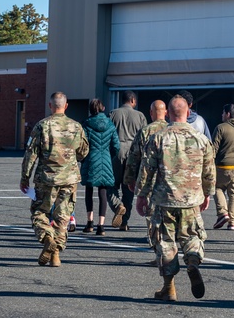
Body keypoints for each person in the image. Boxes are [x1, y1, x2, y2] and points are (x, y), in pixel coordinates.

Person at [135, 95, 215, 302]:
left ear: (168, 114)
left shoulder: (158, 138)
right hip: (191, 199)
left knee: (166, 242)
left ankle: (169, 288)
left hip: (164, 199)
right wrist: (207, 194)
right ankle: (193, 261)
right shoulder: (202, 139)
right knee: (192, 236)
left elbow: (147, 170)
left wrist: (141, 196)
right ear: (188, 113)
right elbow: (209, 171)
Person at [20, 91, 89, 267]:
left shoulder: (42, 126)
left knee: (39, 212)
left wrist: (25, 177)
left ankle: (47, 238)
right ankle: (56, 254)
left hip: (46, 178)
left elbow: (31, 154)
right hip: (69, 178)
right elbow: (83, 152)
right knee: (63, 217)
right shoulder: (76, 126)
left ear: (50, 106)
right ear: (66, 106)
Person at [124, 99, 168, 264]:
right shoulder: (171, 129)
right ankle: (168, 253)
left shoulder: (145, 132)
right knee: (167, 218)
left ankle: (159, 252)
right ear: (166, 113)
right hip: (170, 182)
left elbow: (134, 157)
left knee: (152, 218)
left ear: (151, 113)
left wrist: (130, 179)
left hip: (149, 181)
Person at [108, 90, 147, 231]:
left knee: (111, 184)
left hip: (116, 151)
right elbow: (144, 137)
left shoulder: (113, 114)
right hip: (133, 153)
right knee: (129, 188)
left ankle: (117, 205)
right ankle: (124, 221)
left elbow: (107, 134)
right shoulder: (140, 116)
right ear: (132, 101)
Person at [81, 98, 120, 236]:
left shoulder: (86, 124)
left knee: (89, 191)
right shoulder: (110, 124)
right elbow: (116, 145)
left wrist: (83, 158)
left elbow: (82, 145)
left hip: (90, 159)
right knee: (103, 192)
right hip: (105, 159)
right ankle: (101, 225)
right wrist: (109, 156)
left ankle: (89, 222)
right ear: (103, 108)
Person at [211, 103, 234, 231]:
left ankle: (222, 213)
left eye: (223, 113)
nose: (222, 115)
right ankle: (233, 222)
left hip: (222, 166)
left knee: (216, 187)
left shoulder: (221, 128)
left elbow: (214, 148)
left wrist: (209, 163)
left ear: (227, 114)